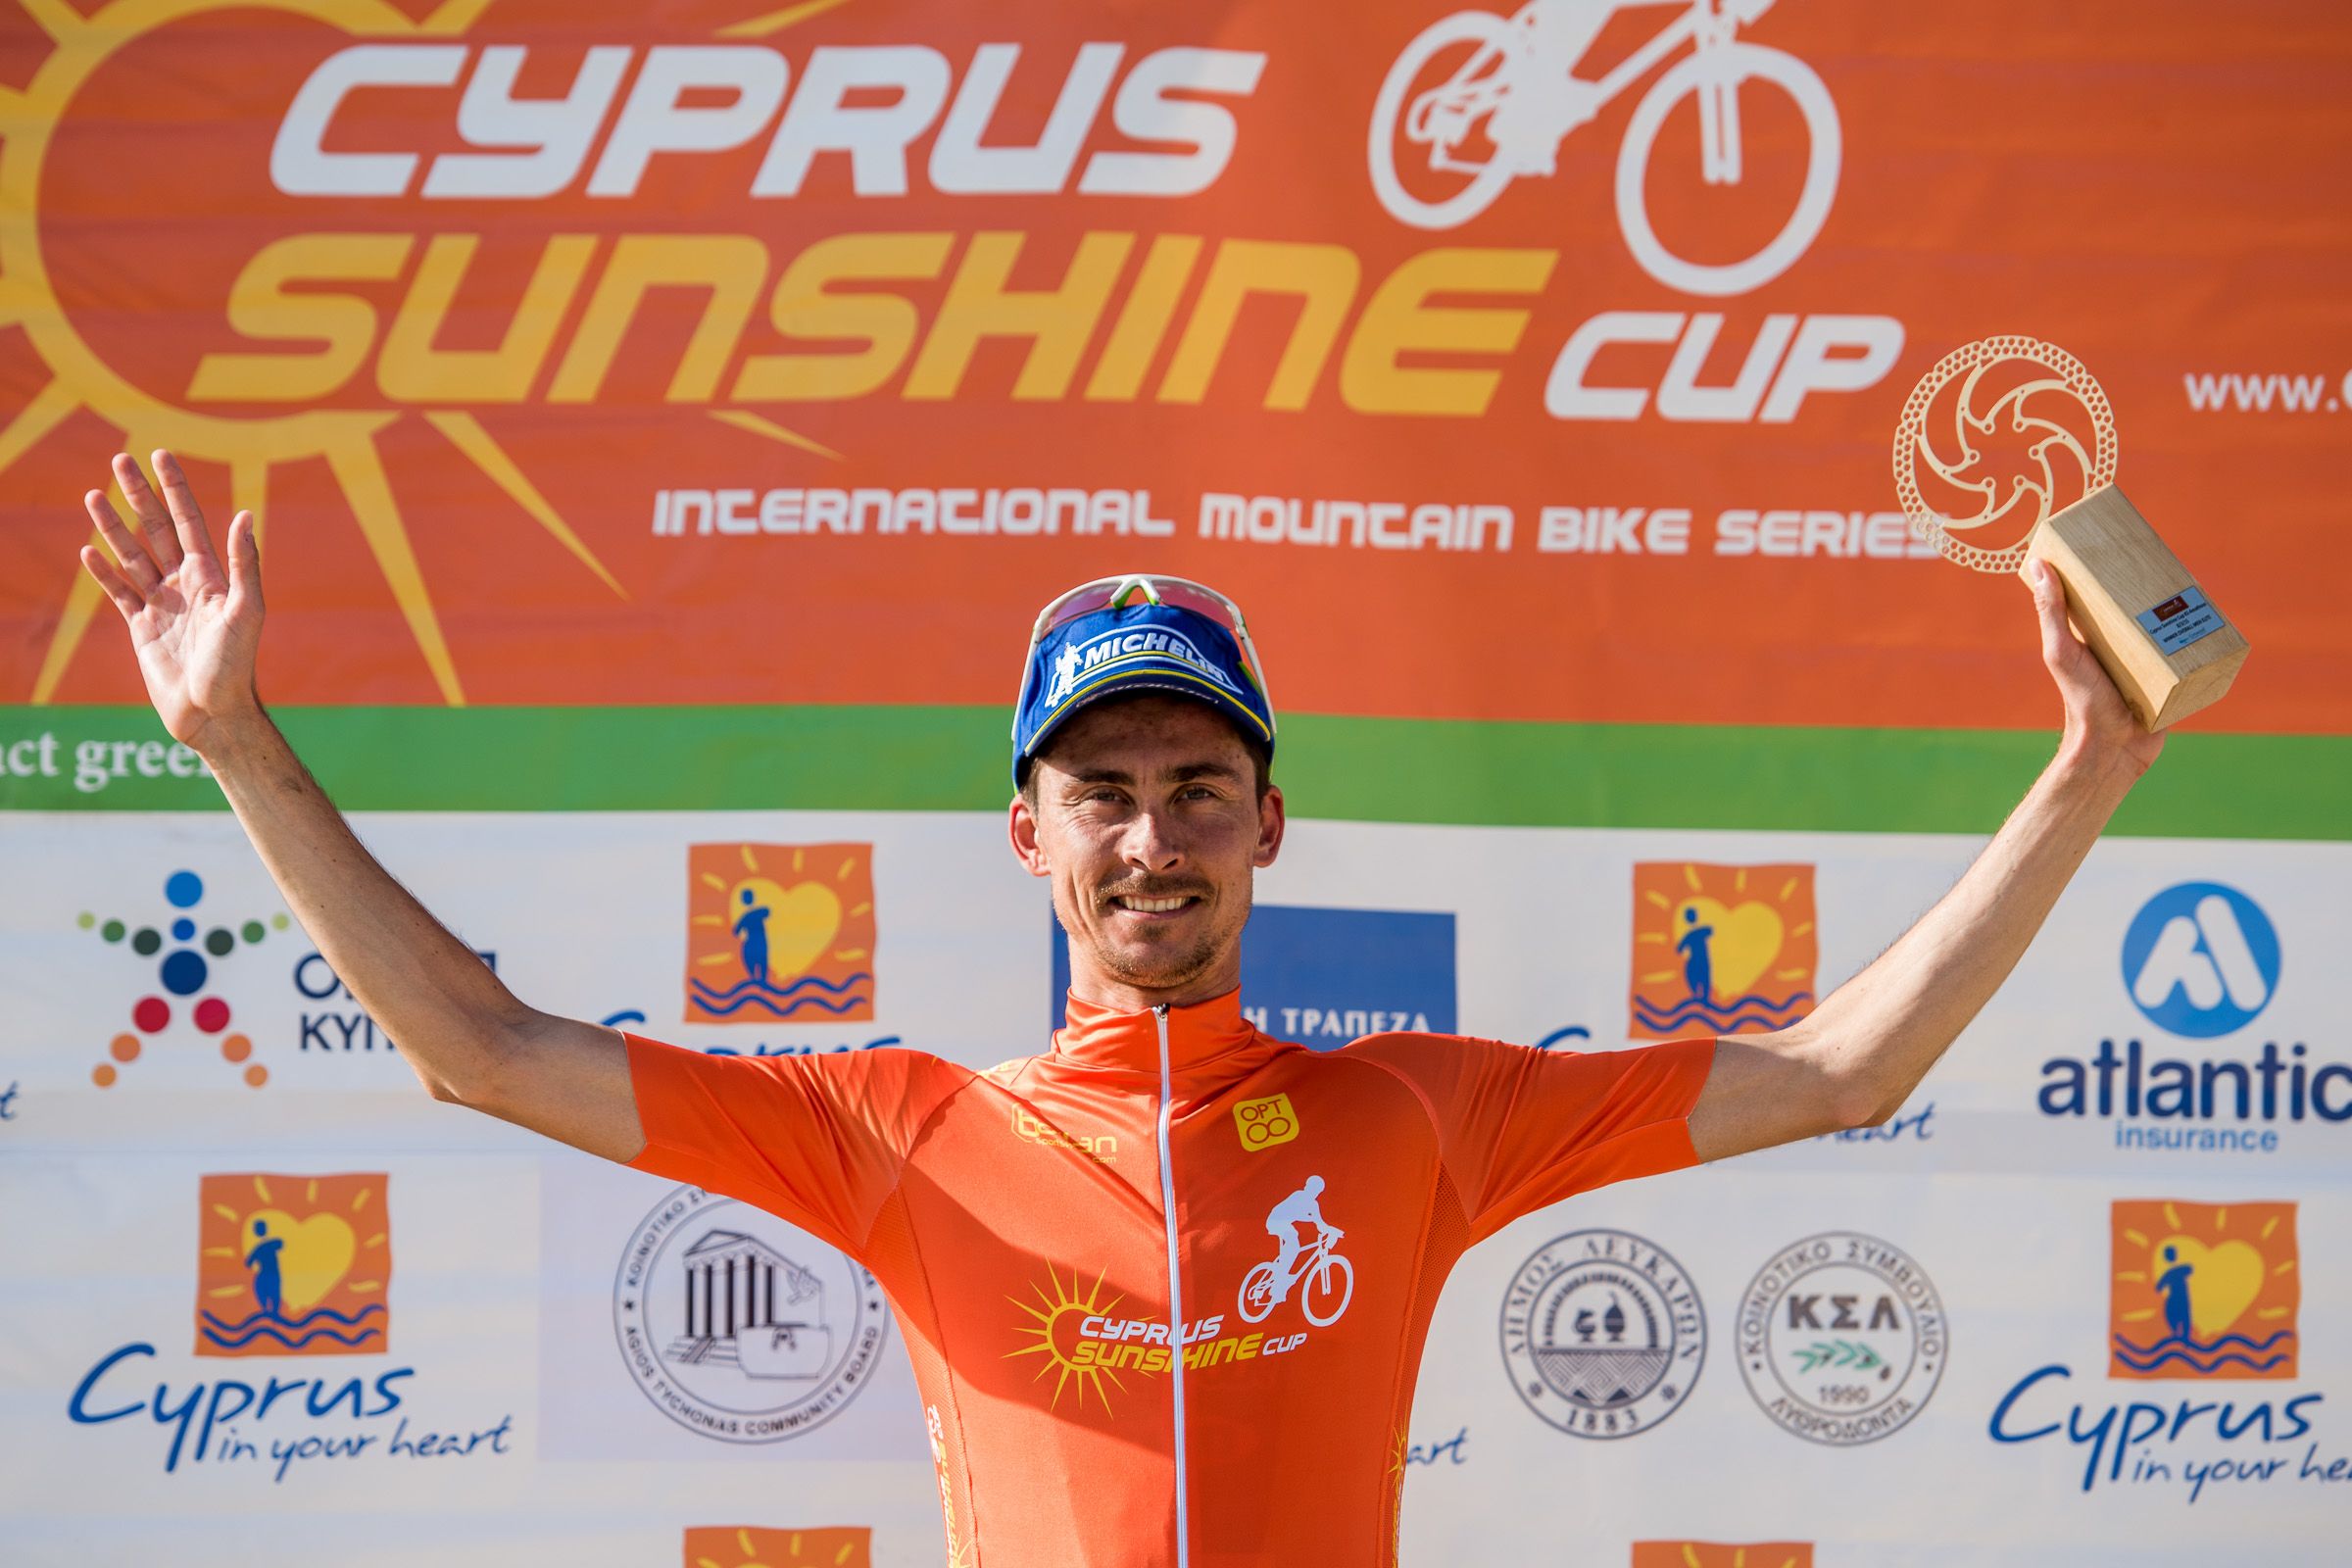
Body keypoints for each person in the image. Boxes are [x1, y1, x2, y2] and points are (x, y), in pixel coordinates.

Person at [77, 449, 2163, 1568]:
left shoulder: (1420, 1113)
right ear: (1028, 835)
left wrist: (2089, 766)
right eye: (1102, 791)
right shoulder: (900, 1129)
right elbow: (481, 1049)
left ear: (1268, 822)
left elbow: (1844, 1068)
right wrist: (235, 736)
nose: (1151, 837)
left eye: (1195, 786)